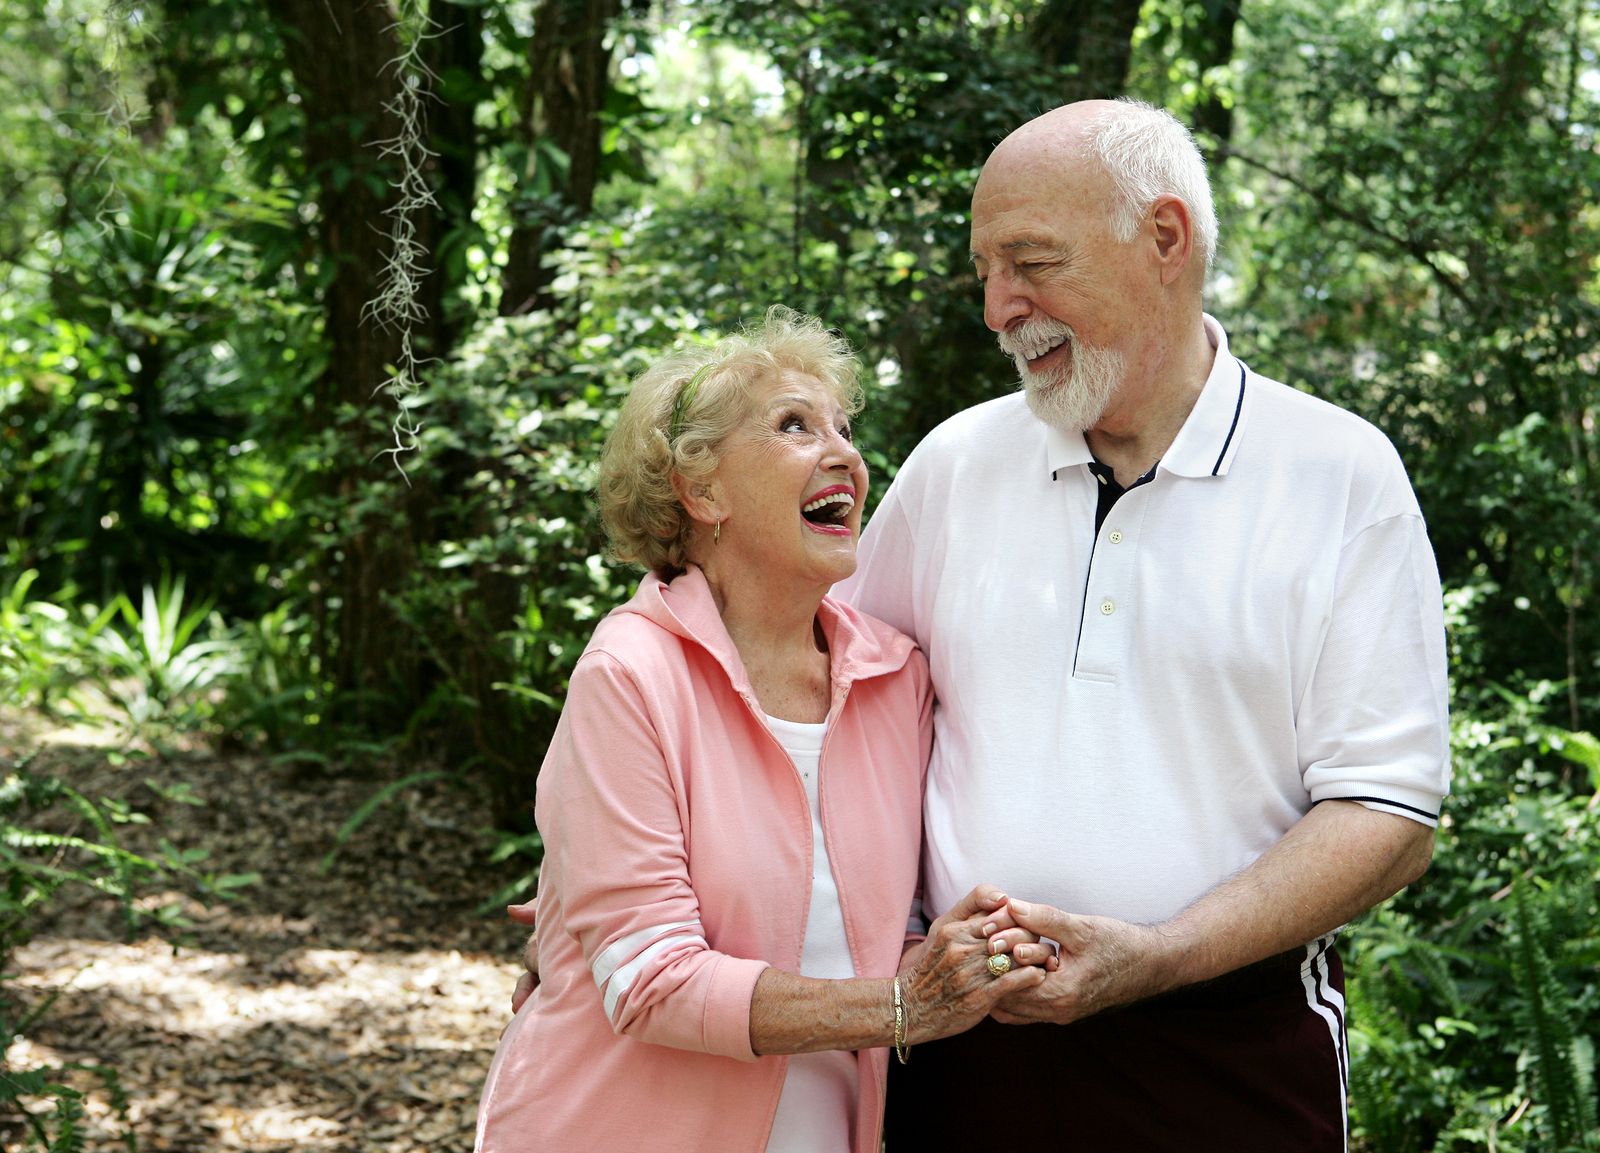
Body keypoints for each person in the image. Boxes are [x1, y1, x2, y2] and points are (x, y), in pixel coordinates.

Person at [834, 98, 1451, 1150]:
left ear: (1163, 238)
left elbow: (1387, 814)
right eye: (984, 269)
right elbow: (827, 711)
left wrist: (1156, 952)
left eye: (1031, 261)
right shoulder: (954, 465)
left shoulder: (1340, 475)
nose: (997, 307)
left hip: (1228, 1047)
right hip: (959, 1041)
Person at [474, 308, 1048, 1153]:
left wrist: (975, 953)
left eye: (845, 430)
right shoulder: (629, 674)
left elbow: (897, 924)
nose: (845, 453)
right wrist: (901, 1008)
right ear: (701, 491)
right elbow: (649, 980)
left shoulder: (897, 679)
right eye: (794, 425)